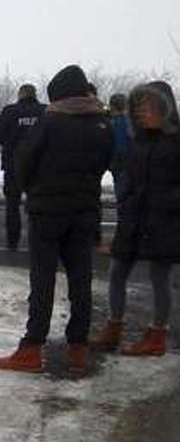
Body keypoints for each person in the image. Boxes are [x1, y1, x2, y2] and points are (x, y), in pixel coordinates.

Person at [0, 65, 112, 376]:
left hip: (47, 212)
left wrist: (34, 189)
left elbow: (24, 162)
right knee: (80, 280)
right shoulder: (102, 123)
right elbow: (103, 165)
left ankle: (32, 348)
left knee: (42, 281)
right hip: (84, 210)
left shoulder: (50, 122)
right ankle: (78, 349)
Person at [90, 81, 179, 357]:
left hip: (166, 221)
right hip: (133, 218)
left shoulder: (176, 141)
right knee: (117, 270)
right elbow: (126, 174)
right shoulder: (136, 140)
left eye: (149, 106)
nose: (143, 112)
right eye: (138, 107)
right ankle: (113, 327)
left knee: (159, 276)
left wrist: (169, 203)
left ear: (164, 108)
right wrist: (126, 200)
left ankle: (157, 334)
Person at [0, 84, 45, 250]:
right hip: (39, 166)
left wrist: (11, 140)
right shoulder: (45, 111)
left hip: (13, 163)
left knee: (12, 204)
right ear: (34, 95)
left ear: (20, 95)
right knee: (39, 205)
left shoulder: (10, 111)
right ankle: (38, 240)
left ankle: (12, 241)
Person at [107, 93, 133, 203]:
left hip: (118, 163)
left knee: (122, 196)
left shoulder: (111, 123)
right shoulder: (132, 122)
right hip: (131, 163)